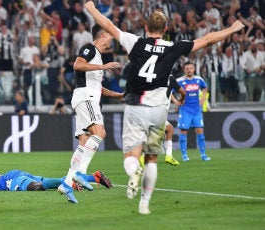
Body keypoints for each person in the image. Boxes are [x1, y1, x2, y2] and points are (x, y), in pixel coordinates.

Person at [84, 1, 244, 214]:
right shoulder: (172, 47)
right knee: (152, 158)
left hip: (135, 107)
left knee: (131, 157)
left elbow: (109, 25)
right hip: (159, 110)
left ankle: (134, 173)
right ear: (166, 30)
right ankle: (145, 203)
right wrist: (233, 28)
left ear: (145, 27)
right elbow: (207, 39)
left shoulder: (135, 42)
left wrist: (92, 9)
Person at [58, 24, 123, 204]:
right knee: (100, 132)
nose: (112, 38)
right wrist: (104, 66)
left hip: (86, 96)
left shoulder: (99, 57)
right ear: (103, 35)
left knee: (84, 141)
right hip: (86, 97)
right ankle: (80, 173)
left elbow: (98, 87)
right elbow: (78, 65)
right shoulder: (89, 49)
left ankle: (67, 183)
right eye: (110, 35)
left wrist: (119, 95)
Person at [0, 168, 112, 192]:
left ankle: (69, 183)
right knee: (45, 179)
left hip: (9, 181)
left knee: (37, 187)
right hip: (14, 174)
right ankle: (93, 177)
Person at [176, 62, 211, 162]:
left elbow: (205, 88)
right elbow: (171, 91)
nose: (189, 70)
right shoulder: (179, 81)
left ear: (194, 69)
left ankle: (203, 155)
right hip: (185, 109)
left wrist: (203, 99)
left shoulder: (199, 79)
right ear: (184, 70)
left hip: (196, 109)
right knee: (183, 132)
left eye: (191, 68)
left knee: (200, 131)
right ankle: (184, 155)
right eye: (187, 68)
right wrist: (176, 101)